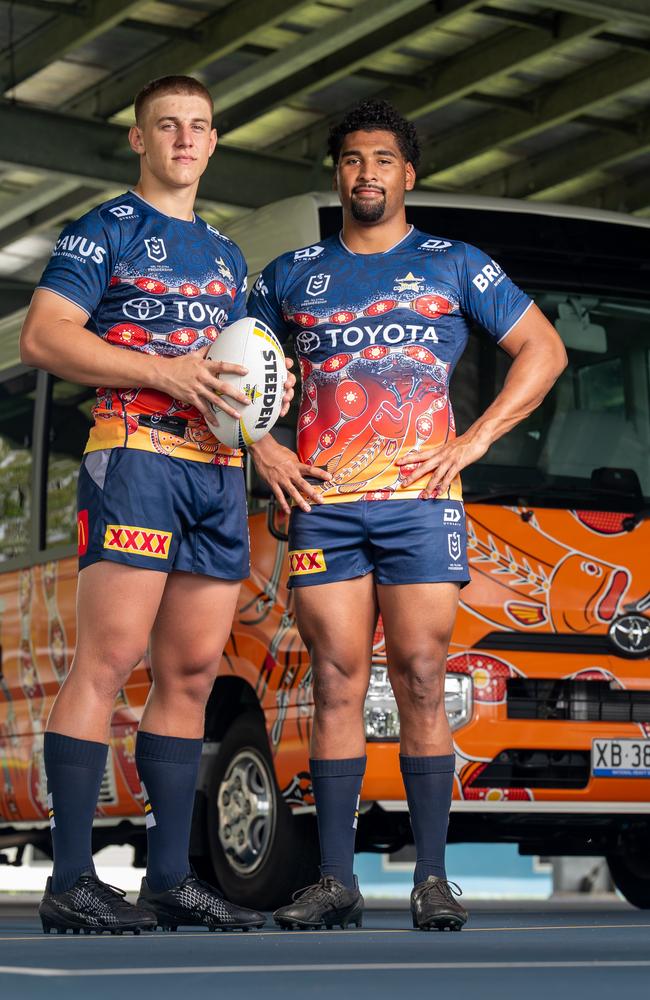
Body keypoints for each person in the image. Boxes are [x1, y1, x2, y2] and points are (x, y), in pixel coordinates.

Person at [247, 99, 567, 931]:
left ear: (407, 174)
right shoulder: (290, 275)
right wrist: (265, 449)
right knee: (336, 682)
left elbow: (545, 349)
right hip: (327, 508)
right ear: (337, 174)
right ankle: (336, 882)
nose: (366, 173)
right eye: (353, 159)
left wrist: (476, 440)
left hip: (423, 505)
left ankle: (432, 880)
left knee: (424, 676)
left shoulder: (456, 263)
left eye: (382, 160)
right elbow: (227, 374)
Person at [20, 75, 294, 935]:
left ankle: (170, 879)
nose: (184, 139)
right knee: (107, 661)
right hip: (133, 456)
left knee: (189, 675)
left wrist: (264, 442)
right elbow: (45, 335)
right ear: (139, 140)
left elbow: (239, 380)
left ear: (214, 143)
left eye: (199, 127)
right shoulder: (103, 229)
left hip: (217, 472)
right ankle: (70, 881)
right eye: (167, 126)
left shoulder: (224, 254)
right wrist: (159, 371)